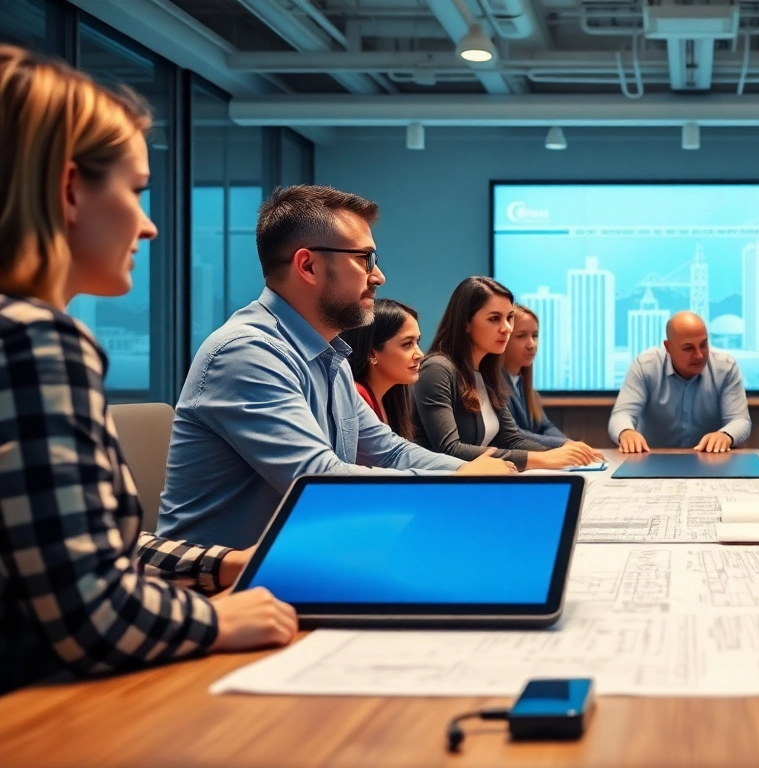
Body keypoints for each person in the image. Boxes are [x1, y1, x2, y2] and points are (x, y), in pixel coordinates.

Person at [0, 45, 296, 694]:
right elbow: (89, 610)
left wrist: (224, 566)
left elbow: (82, 549)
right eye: (136, 192)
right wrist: (217, 618)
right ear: (68, 189)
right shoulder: (34, 342)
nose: (150, 226)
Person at [157, 187, 513, 549]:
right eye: (365, 259)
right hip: (222, 589)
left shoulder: (329, 356)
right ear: (308, 265)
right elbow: (319, 482)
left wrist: (465, 471)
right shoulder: (247, 353)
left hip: (302, 559)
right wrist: (460, 481)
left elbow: (389, 451)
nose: (379, 277)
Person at [412, 277, 602, 469]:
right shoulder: (436, 369)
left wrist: (561, 457)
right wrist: (540, 459)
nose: (507, 328)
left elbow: (513, 440)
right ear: (465, 323)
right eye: (495, 319)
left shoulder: (486, 373)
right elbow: (449, 449)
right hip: (440, 490)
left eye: (509, 317)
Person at [609, 311, 752, 452]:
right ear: (668, 347)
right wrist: (626, 432)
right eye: (688, 348)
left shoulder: (725, 368)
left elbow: (740, 420)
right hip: (653, 461)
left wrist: (725, 435)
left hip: (712, 460)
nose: (699, 355)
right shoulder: (646, 366)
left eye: (703, 344)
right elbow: (622, 413)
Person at [503, 304, 587, 450]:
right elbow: (514, 434)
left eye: (534, 335)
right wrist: (563, 445)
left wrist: (569, 444)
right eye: (521, 336)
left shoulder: (523, 385)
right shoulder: (491, 385)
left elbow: (544, 426)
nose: (532, 344)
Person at [339, 298, 422, 440]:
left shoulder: (391, 399)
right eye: (407, 344)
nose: (420, 354)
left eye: (417, 342)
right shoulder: (357, 397)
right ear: (372, 353)